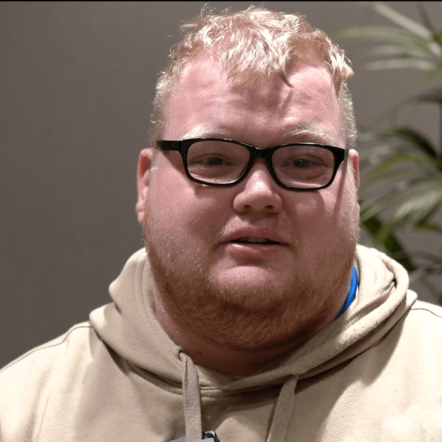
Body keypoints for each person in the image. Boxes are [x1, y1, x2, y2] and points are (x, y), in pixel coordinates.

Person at [1, 6, 441, 442]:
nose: (259, 195)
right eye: (213, 158)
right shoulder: (21, 414)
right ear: (146, 184)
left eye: (303, 161)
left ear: (353, 184)